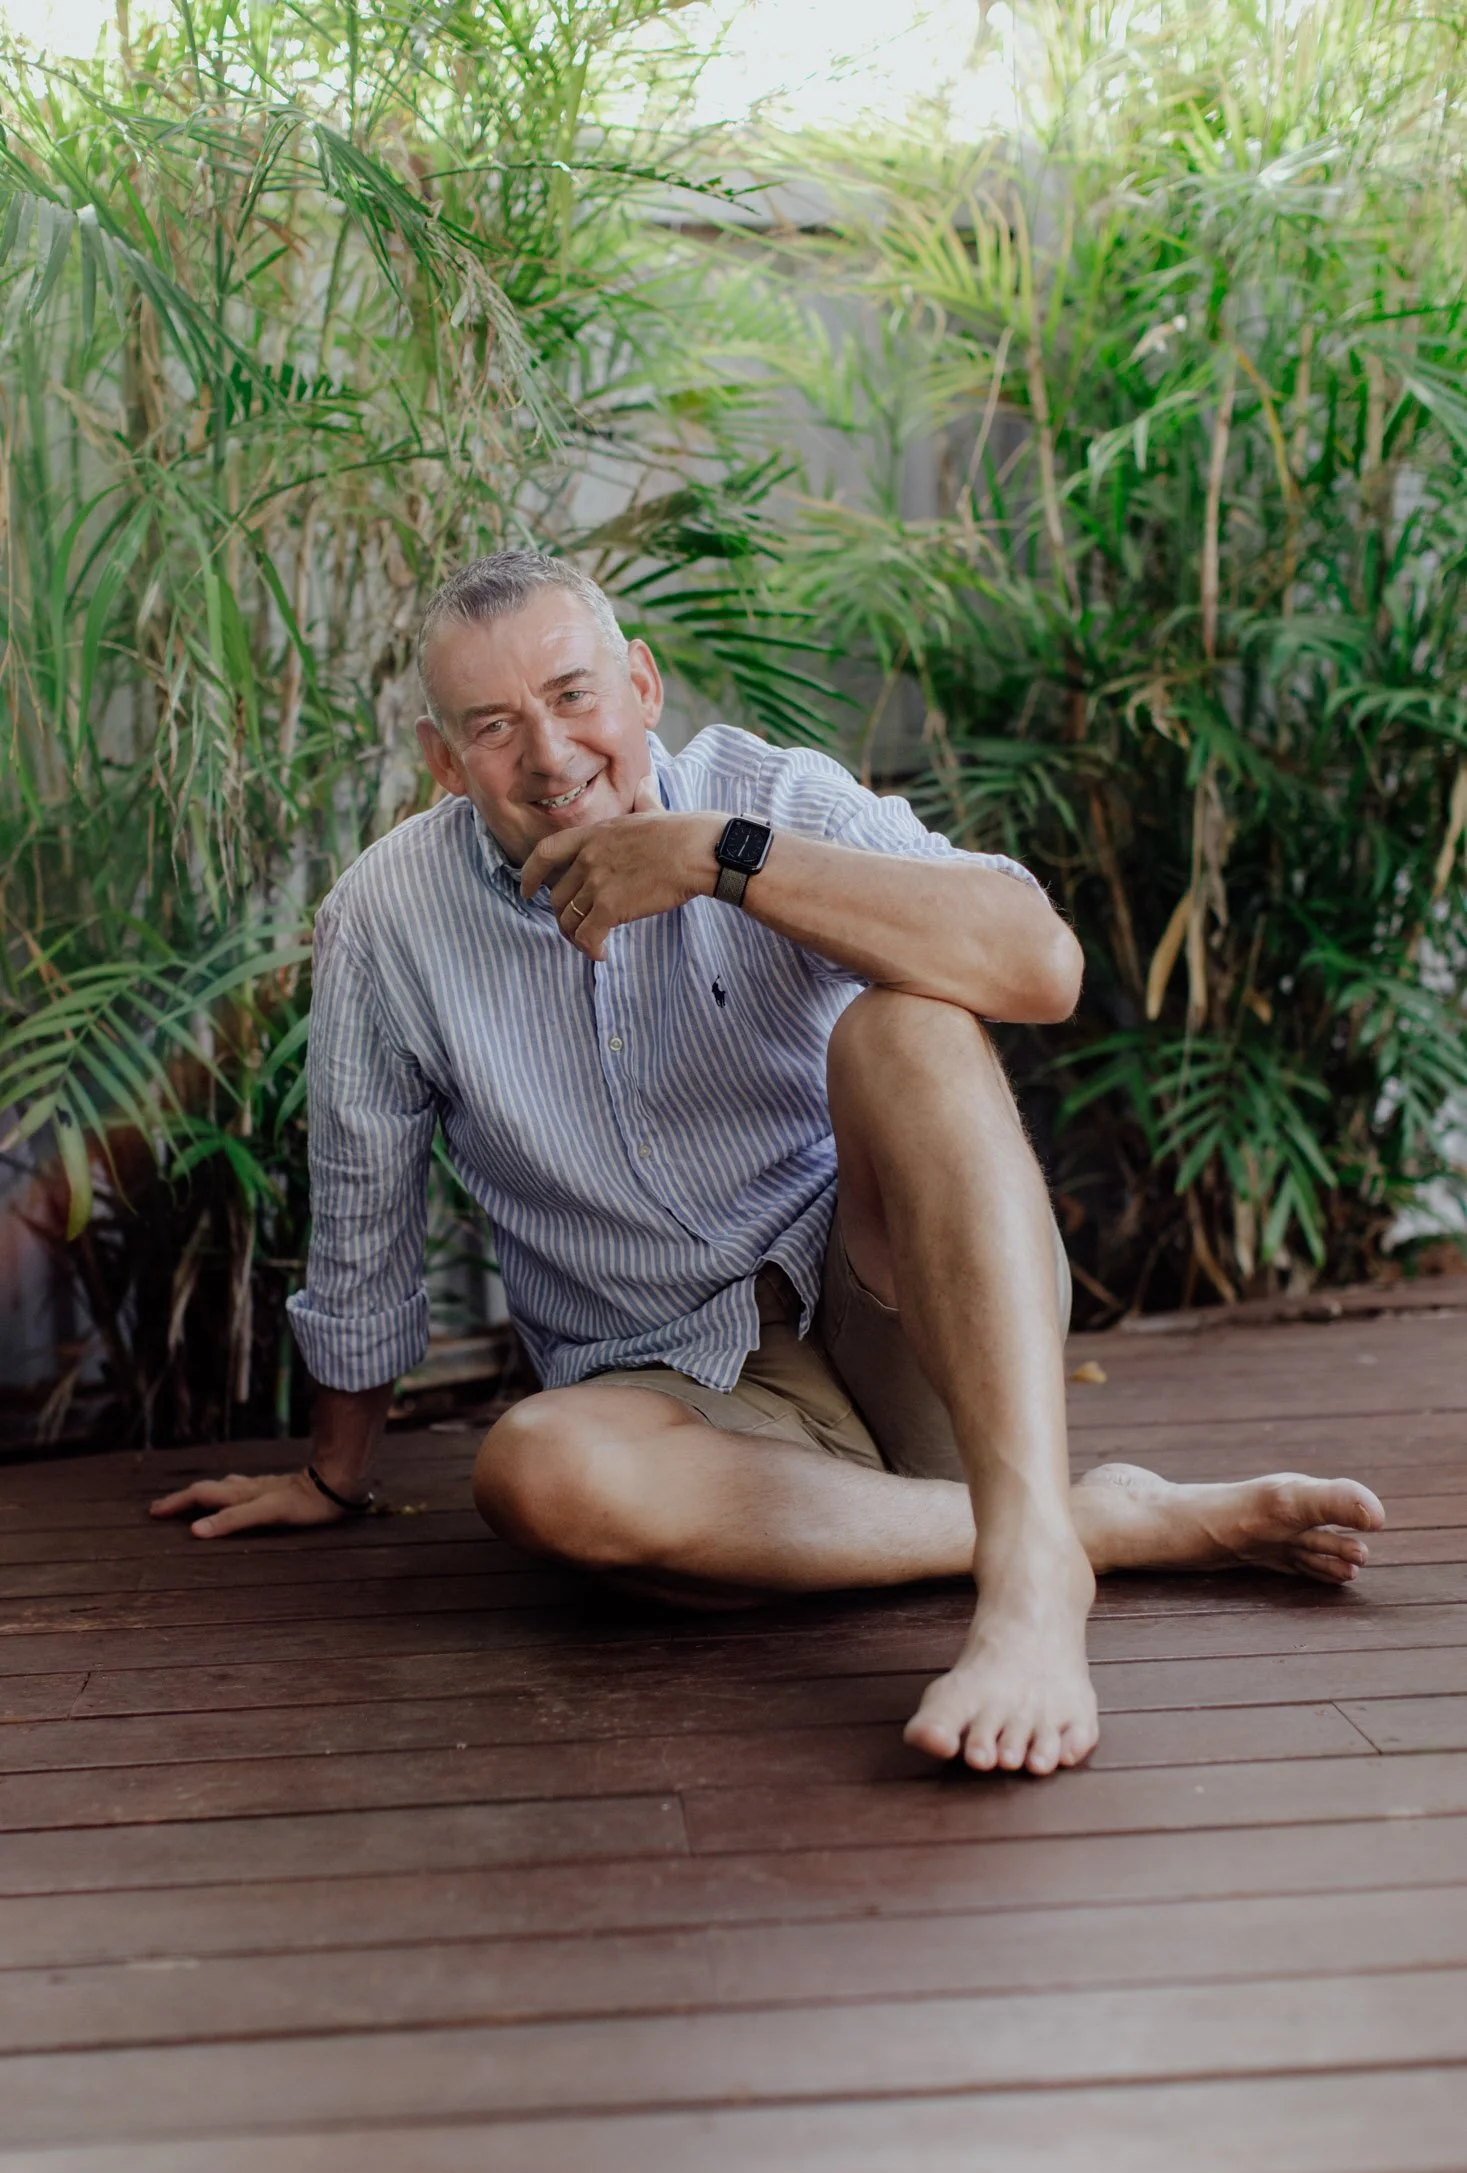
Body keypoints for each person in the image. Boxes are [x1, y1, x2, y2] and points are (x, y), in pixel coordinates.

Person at [151, 550, 1385, 1777]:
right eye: (493, 726)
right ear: (443, 760)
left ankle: (1026, 1590)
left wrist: (718, 862)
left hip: (903, 1315)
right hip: (692, 1416)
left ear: (641, 682)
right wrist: (335, 1472)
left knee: (909, 1023)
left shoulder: (766, 788)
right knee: (533, 1472)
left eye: (574, 694)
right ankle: (1074, 1522)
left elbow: (1039, 964)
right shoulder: (388, 919)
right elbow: (365, 1204)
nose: (548, 753)